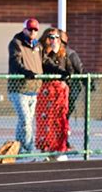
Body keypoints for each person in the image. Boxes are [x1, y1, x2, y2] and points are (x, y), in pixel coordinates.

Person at [36, 27, 73, 159]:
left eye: (57, 38)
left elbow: (69, 69)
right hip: (46, 91)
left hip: (60, 92)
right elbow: (46, 65)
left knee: (60, 120)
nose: (54, 40)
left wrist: (65, 77)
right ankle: (45, 148)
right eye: (51, 37)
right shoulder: (41, 51)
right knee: (46, 121)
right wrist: (52, 52)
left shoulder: (63, 53)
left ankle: (59, 148)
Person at [8, 17, 43, 154]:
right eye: (30, 29)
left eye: (35, 30)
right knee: (26, 121)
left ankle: (19, 147)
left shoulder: (38, 46)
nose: (33, 32)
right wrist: (26, 72)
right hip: (19, 89)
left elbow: (44, 62)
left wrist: (60, 71)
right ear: (24, 29)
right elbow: (16, 62)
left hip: (34, 89)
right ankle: (28, 149)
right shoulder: (16, 43)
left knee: (24, 122)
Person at [59, 29, 86, 121]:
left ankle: (64, 126)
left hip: (71, 85)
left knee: (67, 108)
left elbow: (80, 69)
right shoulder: (50, 53)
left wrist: (88, 83)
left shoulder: (71, 54)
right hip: (56, 87)